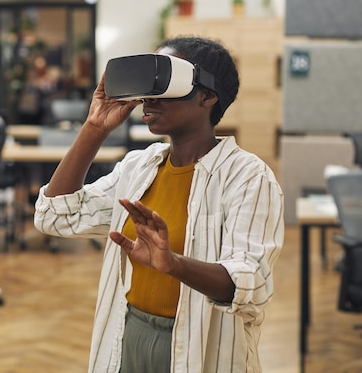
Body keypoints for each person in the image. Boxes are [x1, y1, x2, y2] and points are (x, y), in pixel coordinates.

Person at [33, 35, 285, 373]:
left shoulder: (247, 177)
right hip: (128, 334)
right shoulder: (138, 168)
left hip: (202, 345)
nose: (149, 100)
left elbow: (250, 283)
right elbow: (56, 216)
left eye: (165, 85)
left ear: (208, 96)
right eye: (148, 89)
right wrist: (94, 128)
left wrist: (173, 264)